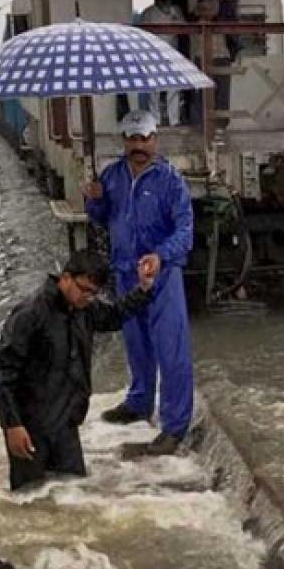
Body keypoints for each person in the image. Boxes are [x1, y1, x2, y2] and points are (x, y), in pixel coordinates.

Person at [0, 250, 156, 492]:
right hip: (31, 426)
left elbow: (113, 316)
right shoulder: (30, 314)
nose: (88, 297)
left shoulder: (83, 308)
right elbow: (2, 372)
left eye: (94, 293)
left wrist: (143, 289)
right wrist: (12, 426)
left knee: (75, 496)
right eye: (84, 289)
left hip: (66, 423)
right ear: (66, 278)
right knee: (30, 500)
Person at [82, 109, 195, 456]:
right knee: (136, 343)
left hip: (161, 273)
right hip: (126, 272)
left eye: (144, 138)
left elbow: (185, 231)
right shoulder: (112, 176)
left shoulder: (170, 181)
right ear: (123, 141)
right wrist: (94, 198)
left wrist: (160, 255)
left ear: (155, 139)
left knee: (171, 349)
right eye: (132, 139)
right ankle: (139, 402)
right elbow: (100, 218)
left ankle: (175, 426)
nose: (139, 145)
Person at [135, 0, 186, 126]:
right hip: (153, 54)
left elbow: (184, 27)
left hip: (172, 53)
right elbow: (141, 33)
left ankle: (174, 121)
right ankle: (154, 121)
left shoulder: (175, 10)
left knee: (174, 87)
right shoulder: (148, 12)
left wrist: (172, 14)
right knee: (154, 89)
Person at [193, 0, 241, 125]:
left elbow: (232, 25)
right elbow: (192, 19)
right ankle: (204, 125)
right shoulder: (200, 2)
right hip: (203, 55)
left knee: (222, 92)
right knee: (203, 93)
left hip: (222, 53)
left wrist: (213, 17)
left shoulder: (228, 2)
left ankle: (221, 126)